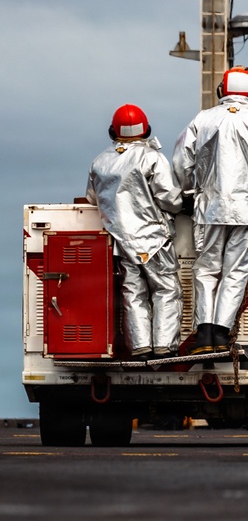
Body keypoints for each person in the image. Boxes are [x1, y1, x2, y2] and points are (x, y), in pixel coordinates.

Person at [86, 104, 183, 358]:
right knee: (166, 289)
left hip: (120, 242)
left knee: (132, 293)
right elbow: (171, 200)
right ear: (146, 130)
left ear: (112, 131)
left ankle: (140, 345)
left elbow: (91, 199)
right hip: (154, 240)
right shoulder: (151, 157)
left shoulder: (99, 161)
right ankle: (164, 344)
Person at [174, 66, 248, 355]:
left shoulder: (203, 119)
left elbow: (182, 161)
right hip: (245, 211)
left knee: (207, 269)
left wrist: (187, 193)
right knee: (237, 270)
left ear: (222, 91)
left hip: (209, 208)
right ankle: (221, 330)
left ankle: (204, 333)